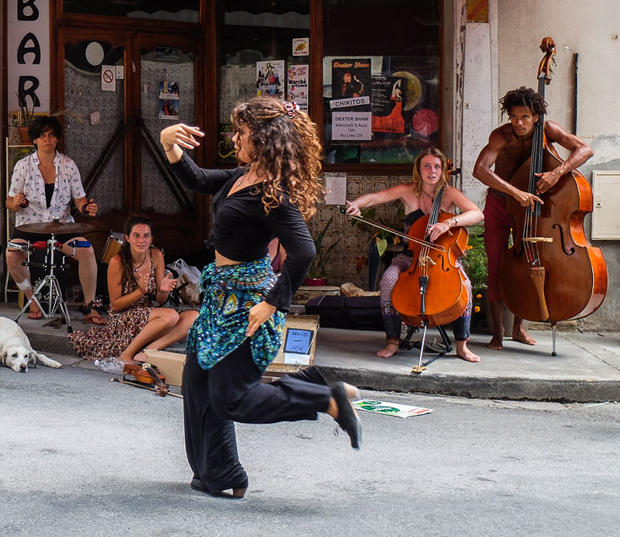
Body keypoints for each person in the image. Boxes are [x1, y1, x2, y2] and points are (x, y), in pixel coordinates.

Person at [161, 97, 361, 499]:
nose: (235, 138)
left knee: (231, 398)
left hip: (248, 305)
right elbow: (199, 179)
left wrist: (272, 302)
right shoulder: (243, 176)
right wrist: (169, 143)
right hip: (220, 299)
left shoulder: (273, 195)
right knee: (199, 385)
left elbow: (303, 252)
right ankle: (219, 473)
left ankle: (327, 398)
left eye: (242, 133)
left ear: (264, 140)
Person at [472, 86, 594, 350]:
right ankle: (498, 332)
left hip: (531, 207)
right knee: (496, 264)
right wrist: (514, 191)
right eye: (514, 117)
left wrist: (557, 173)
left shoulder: (549, 130)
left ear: (536, 116)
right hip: (499, 203)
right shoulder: (501, 136)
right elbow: (479, 170)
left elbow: (585, 150)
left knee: (530, 260)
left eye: (524, 117)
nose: (518, 123)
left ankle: (518, 329)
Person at [345, 148, 484, 362]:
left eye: (437, 166)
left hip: (442, 259)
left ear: (443, 170)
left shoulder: (449, 194)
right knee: (389, 279)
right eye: (426, 166)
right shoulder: (407, 191)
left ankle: (462, 345)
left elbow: (477, 213)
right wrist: (356, 204)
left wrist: (449, 222)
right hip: (411, 258)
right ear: (418, 170)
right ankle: (392, 340)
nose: (432, 171)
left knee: (464, 285)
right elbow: (374, 198)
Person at [5, 116, 101, 322]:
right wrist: (17, 201)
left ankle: (89, 306)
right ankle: (33, 301)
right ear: (34, 141)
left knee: (87, 252)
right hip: (29, 226)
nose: (47, 140)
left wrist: (86, 207)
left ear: (57, 139)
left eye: (51, 135)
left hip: (62, 226)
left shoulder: (68, 165)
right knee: (12, 254)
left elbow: (80, 198)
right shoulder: (23, 166)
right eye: (41, 136)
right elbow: (9, 201)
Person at [68, 214, 197, 364]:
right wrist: (140, 291)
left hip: (149, 314)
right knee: (171, 316)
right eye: (136, 236)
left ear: (152, 238)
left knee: (193, 317)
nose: (141, 241)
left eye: (146, 236)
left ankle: (146, 352)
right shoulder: (118, 261)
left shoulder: (156, 255)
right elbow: (115, 305)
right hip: (123, 317)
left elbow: (161, 300)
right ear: (128, 238)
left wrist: (163, 290)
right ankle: (126, 355)